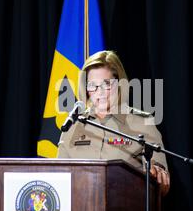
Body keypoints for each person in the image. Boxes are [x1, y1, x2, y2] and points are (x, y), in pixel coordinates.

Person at [57, 50, 170, 195]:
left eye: (107, 84)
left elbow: (159, 172)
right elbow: (59, 177)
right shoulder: (73, 126)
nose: (100, 92)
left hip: (127, 207)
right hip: (81, 209)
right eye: (93, 85)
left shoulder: (143, 122)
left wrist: (157, 171)